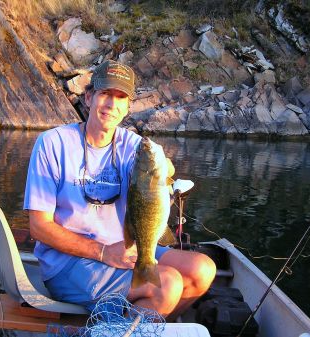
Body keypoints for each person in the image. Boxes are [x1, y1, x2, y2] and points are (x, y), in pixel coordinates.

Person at [23, 60, 216, 319]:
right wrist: (103, 252)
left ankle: (131, 321)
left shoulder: (134, 147)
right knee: (168, 284)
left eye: (121, 97)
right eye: (105, 94)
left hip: (125, 248)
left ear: (127, 107)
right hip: (68, 263)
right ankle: (131, 317)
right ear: (89, 97)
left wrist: (165, 170)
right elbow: (38, 227)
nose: (112, 105)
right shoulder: (53, 143)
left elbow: (161, 172)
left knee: (201, 269)